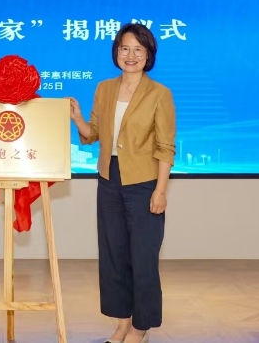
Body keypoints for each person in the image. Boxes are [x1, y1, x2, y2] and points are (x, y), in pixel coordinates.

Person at [67, 23, 176, 343]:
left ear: (149, 55)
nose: (131, 55)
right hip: (109, 180)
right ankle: (122, 323)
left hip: (144, 182)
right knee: (114, 256)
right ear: (116, 52)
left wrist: (160, 190)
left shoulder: (160, 94)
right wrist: (77, 118)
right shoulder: (104, 88)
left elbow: (165, 147)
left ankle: (141, 327)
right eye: (125, 48)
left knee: (143, 259)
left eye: (138, 50)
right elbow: (93, 134)